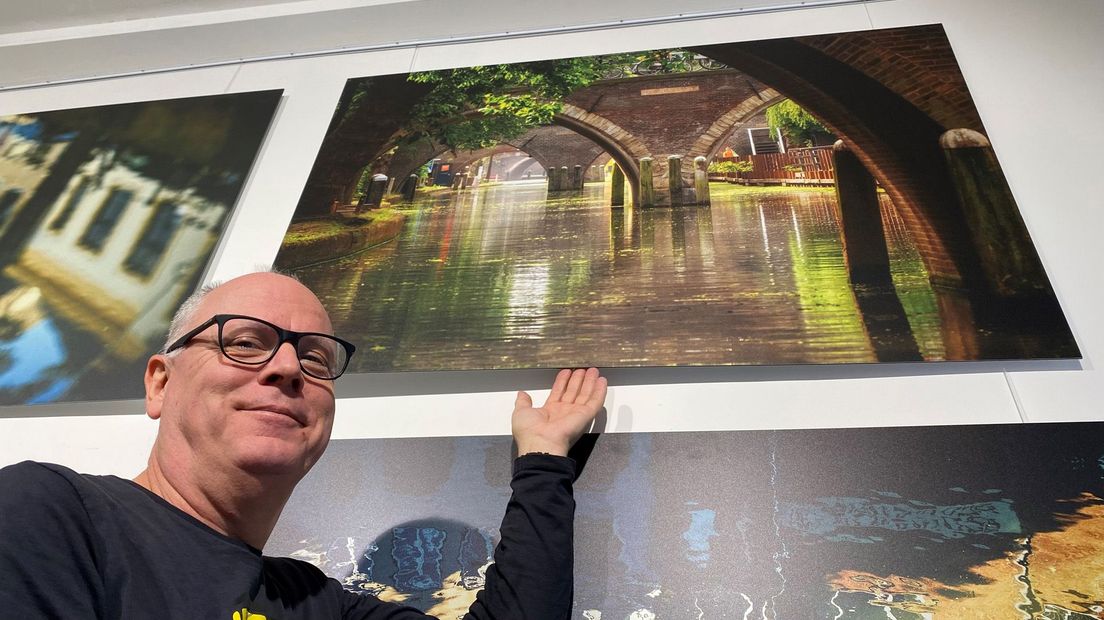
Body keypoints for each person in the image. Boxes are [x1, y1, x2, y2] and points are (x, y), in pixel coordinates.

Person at [0, 272, 607, 619]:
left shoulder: (314, 602)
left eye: (314, 355)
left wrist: (543, 461)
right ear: (161, 382)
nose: (288, 366)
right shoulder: (48, 512)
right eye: (243, 341)